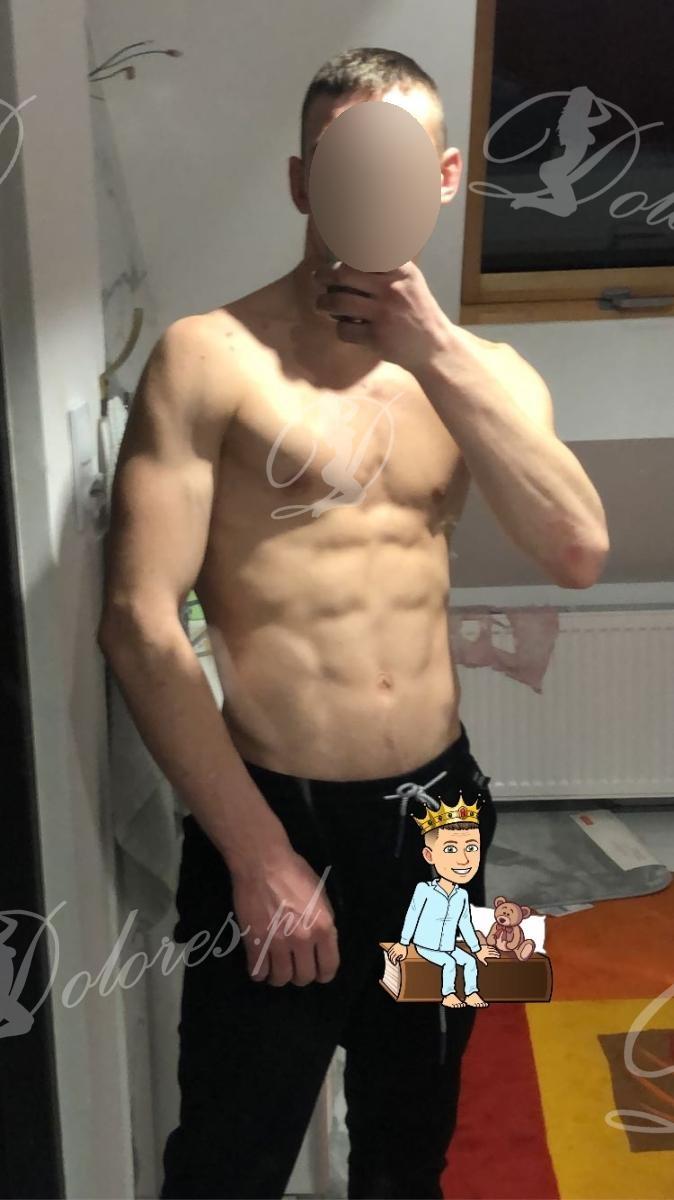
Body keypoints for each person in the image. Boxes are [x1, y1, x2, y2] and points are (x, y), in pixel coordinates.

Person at [97, 45, 609, 1200]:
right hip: (275, 813)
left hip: (445, 824)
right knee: (227, 1154)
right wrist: (255, 854)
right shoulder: (206, 357)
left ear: (442, 179)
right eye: (339, 162)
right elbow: (136, 623)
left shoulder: (488, 372)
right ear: (299, 180)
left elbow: (577, 549)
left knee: (413, 1139)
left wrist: (430, 348)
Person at [387, 792, 500, 1009]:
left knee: (468, 961)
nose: (463, 860)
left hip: (448, 945)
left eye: (471, 849)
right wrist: (403, 943)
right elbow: (413, 915)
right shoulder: (424, 890)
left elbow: (465, 924)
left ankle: (471, 993)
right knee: (448, 964)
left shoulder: (461, 895)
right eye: (450, 850)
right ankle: (448, 994)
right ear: (430, 855)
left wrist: (477, 949)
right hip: (426, 946)